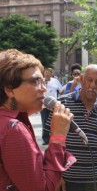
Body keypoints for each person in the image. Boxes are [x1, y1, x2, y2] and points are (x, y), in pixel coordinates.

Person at [0, 49, 76, 191]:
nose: (43, 89)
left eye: (43, 81)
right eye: (35, 81)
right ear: (9, 90)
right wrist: (58, 138)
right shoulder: (12, 129)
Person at [46, 64, 97, 191]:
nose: (93, 85)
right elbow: (51, 142)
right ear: (81, 79)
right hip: (68, 180)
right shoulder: (62, 105)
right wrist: (57, 174)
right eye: (89, 80)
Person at [40, 67, 63, 145]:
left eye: (48, 73)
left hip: (53, 105)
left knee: (53, 122)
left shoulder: (55, 81)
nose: (47, 74)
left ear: (51, 73)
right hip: (43, 105)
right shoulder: (41, 81)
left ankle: (53, 138)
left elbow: (61, 90)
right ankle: (45, 139)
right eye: (45, 73)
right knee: (45, 122)